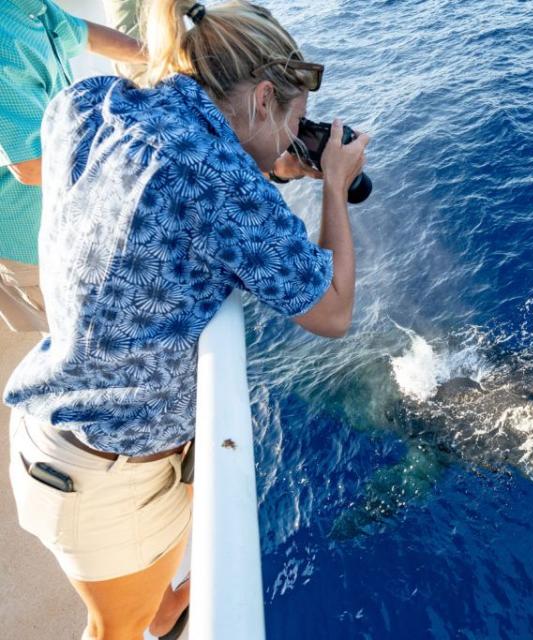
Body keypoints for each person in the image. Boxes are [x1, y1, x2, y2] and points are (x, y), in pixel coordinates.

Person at [3, 0, 368, 637]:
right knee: (114, 631)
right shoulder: (217, 180)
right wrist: (333, 184)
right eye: (294, 121)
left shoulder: (88, 102)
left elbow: (173, 167)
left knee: (150, 607)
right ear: (261, 100)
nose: (294, 139)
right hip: (102, 480)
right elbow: (333, 311)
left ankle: (166, 611)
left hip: (59, 433)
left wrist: (264, 158)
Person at [0, 0, 145, 333]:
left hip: (70, 218)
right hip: (31, 240)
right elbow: (33, 167)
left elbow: (86, 36)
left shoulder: (26, 6)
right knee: (79, 341)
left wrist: (161, 55)